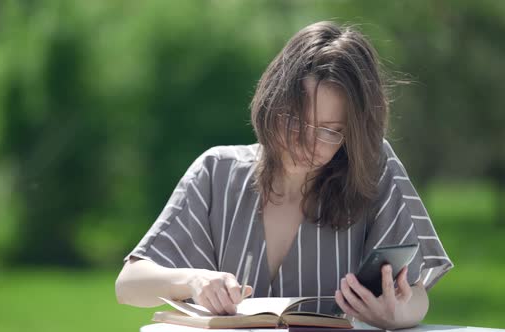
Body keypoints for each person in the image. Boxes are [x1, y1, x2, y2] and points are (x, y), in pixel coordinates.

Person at [115, 21, 453, 330]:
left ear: (353, 135)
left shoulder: (375, 169)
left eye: (329, 131)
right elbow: (129, 284)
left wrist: (395, 315)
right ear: (272, 102)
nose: (305, 143)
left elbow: (417, 293)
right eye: (294, 120)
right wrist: (193, 281)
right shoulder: (216, 170)